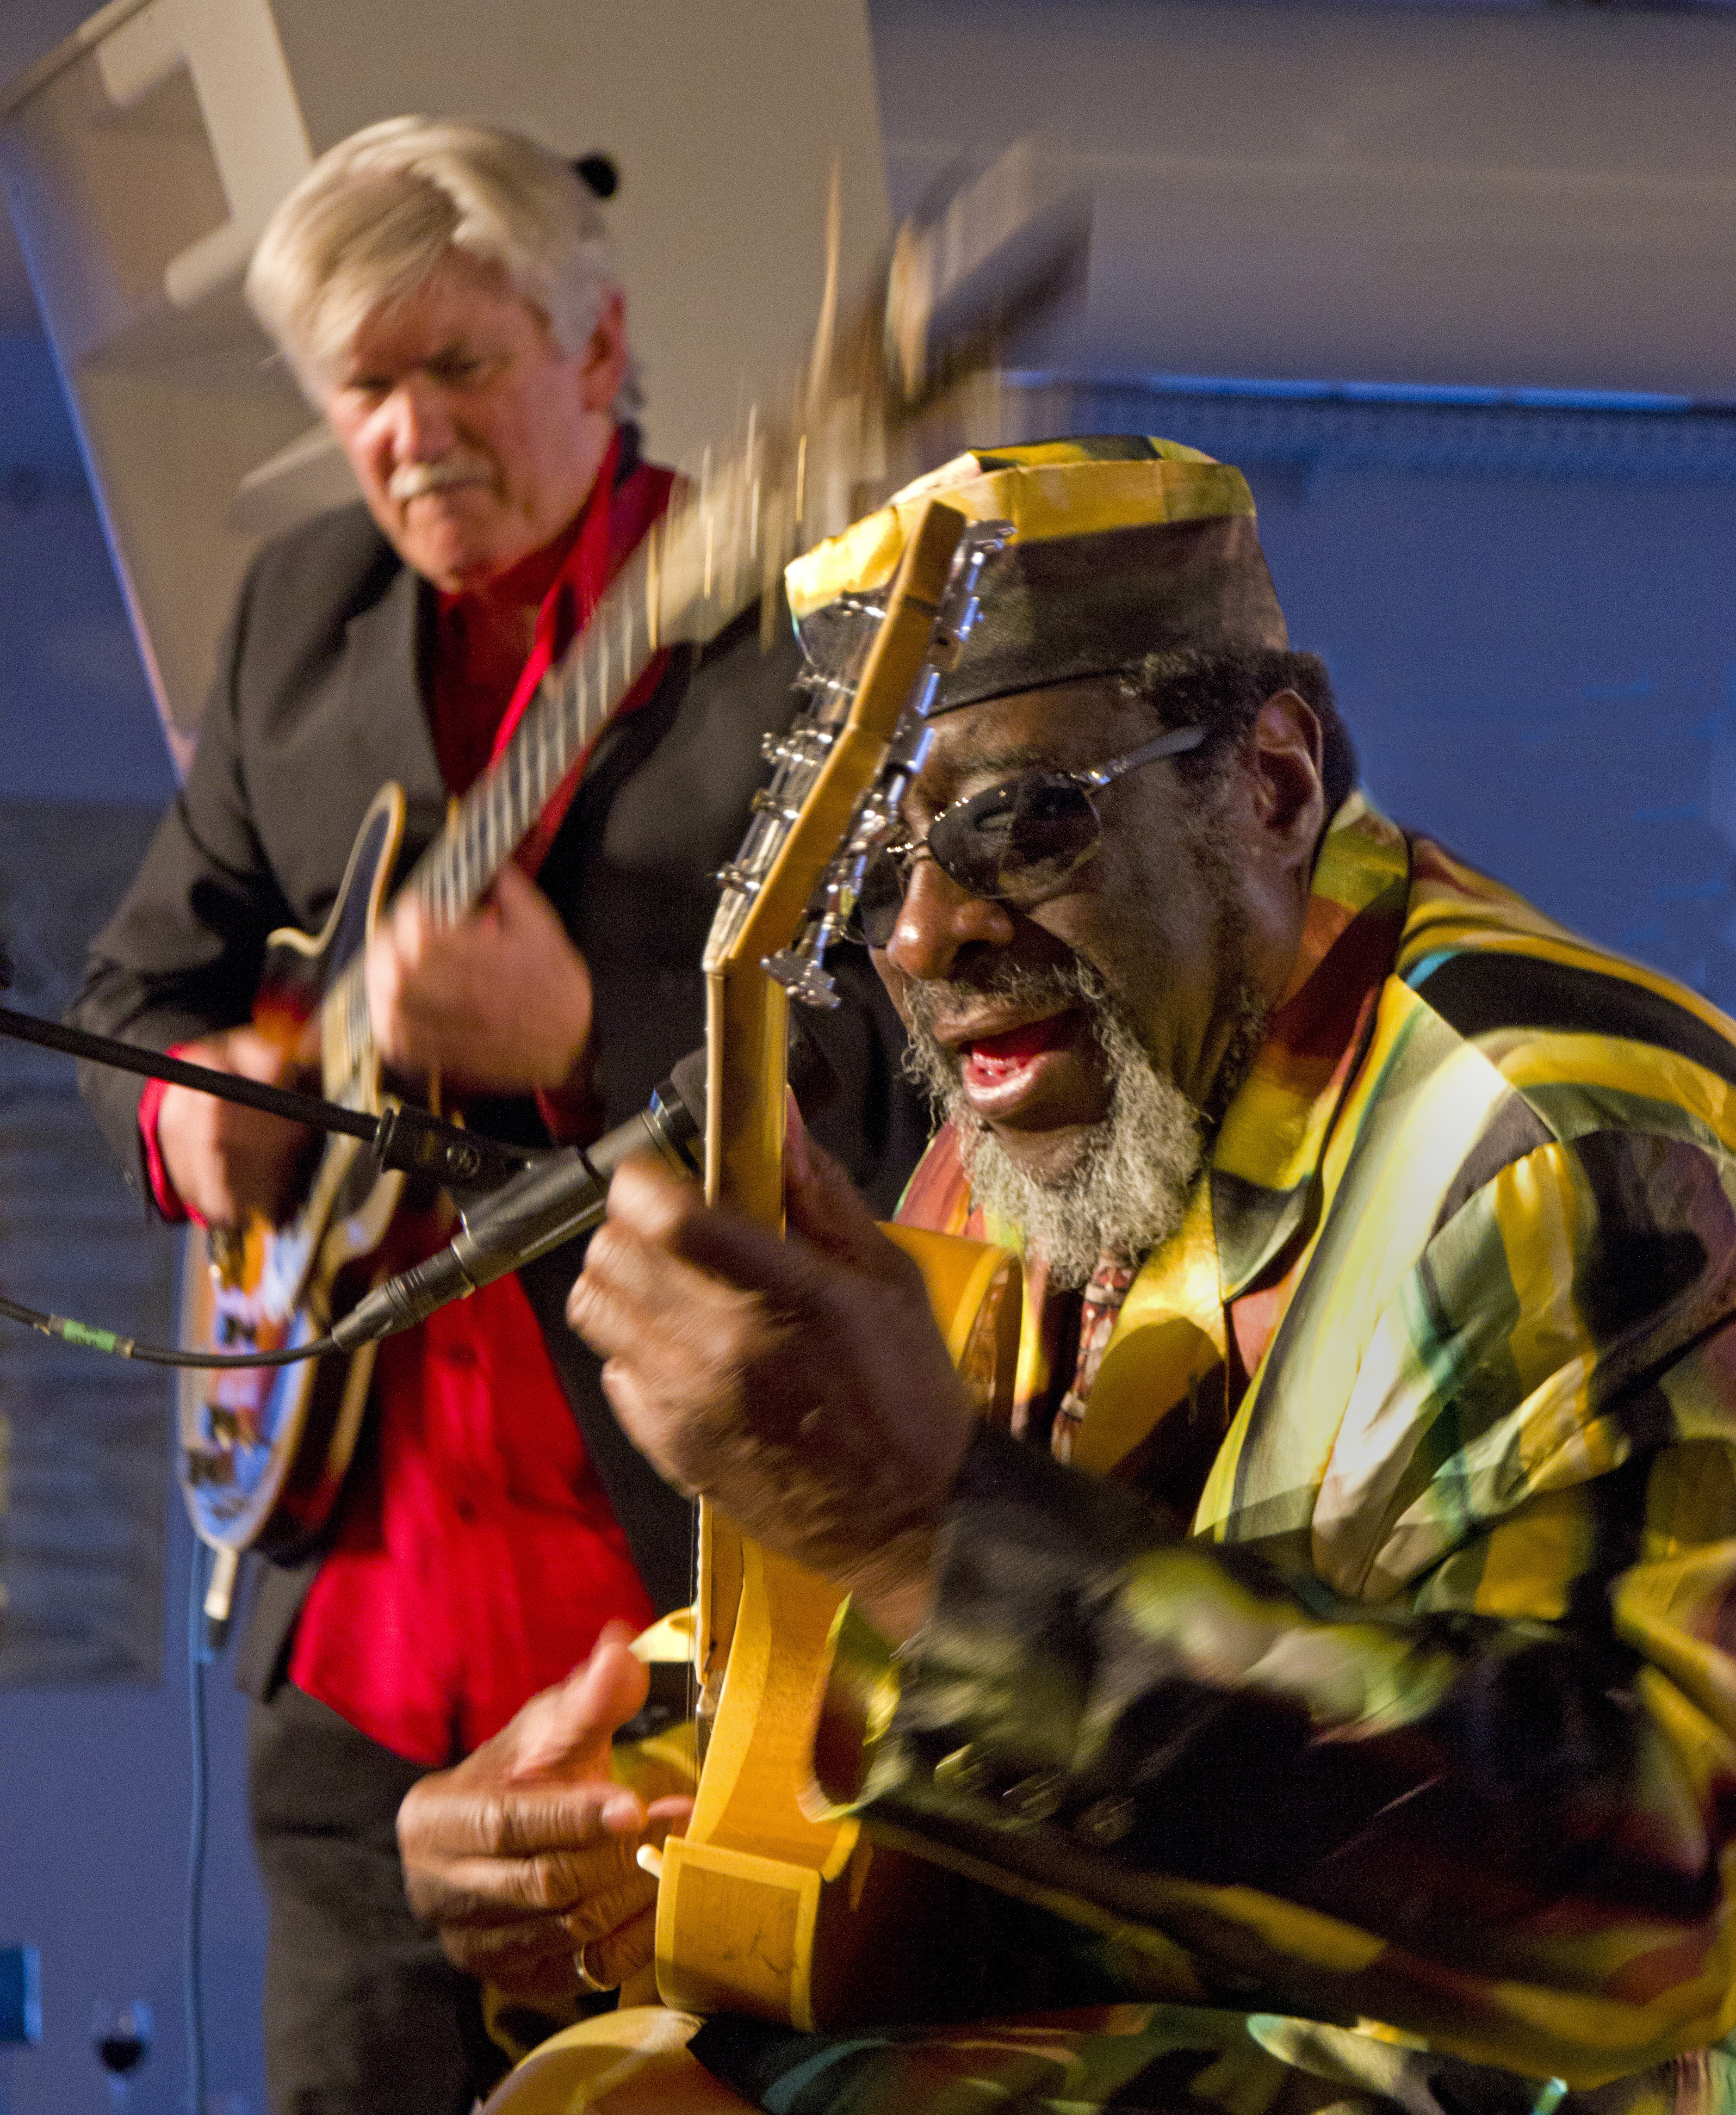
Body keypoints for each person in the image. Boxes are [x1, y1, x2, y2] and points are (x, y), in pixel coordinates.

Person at [400, 436, 1736, 2115]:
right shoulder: (1054, 1122)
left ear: (1271, 783)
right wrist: (616, 1793)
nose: (921, 933)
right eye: (879, 858)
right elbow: (898, 1647)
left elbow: (1660, 1907)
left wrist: (929, 1533)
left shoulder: (1557, 1148)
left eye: (1018, 821)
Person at [71, 118, 921, 2115]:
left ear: (602, 347)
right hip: (351, 1659)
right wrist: (217, 1130)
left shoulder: (791, 622)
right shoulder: (301, 619)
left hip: (675, 1648)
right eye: (361, 387)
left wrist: (602, 1034)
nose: (408, 430)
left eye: (459, 366)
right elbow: (144, 997)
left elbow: (904, 1093)